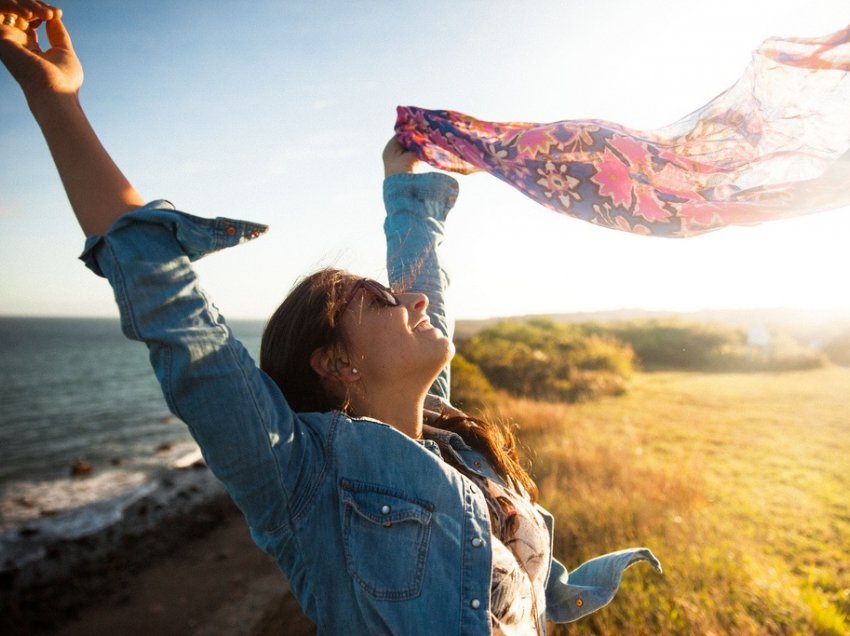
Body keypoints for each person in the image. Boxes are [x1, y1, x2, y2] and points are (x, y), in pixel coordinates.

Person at [0, 3, 660, 633]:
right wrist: (55, 101)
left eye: (389, 297)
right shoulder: (302, 484)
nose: (417, 302)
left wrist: (403, 189)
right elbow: (175, 313)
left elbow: (422, 279)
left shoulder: (449, 437)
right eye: (384, 304)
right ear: (335, 362)